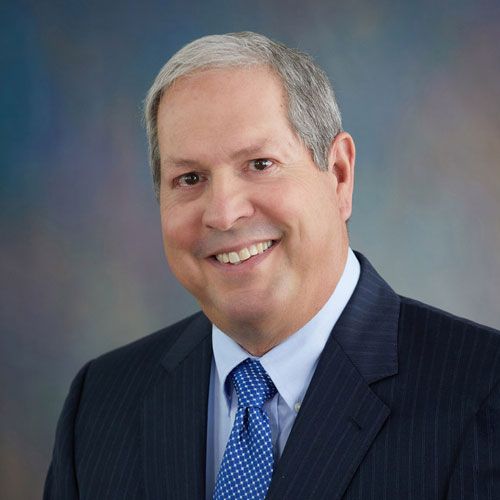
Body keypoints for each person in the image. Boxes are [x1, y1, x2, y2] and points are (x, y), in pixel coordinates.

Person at [44, 32, 500, 500]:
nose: (224, 213)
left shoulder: (484, 393)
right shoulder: (99, 404)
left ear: (339, 175)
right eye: (190, 178)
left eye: (260, 164)